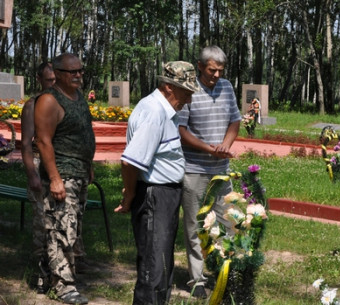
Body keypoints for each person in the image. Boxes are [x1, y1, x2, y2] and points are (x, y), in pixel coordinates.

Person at [114, 61, 199, 305]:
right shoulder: (154, 112)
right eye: (186, 92)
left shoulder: (165, 110)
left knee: (161, 266)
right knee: (154, 268)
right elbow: (130, 162)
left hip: (164, 196)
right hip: (155, 197)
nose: (189, 100)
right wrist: (129, 195)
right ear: (167, 86)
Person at [178, 45, 241, 299]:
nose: (216, 75)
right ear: (200, 66)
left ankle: (224, 275)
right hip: (194, 170)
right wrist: (208, 149)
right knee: (195, 226)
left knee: (228, 224)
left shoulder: (226, 87)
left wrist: (226, 144)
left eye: (220, 71)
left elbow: (235, 120)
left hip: (221, 172)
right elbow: (181, 131)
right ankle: (197, 279)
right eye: (211, 70)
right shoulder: (188, 90)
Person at [34, 53, 95, 304]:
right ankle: (64, 287)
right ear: (57, 74)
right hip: (62, 175)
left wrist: (88, 165)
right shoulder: (49, 100)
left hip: (79, 173)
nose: (78, 75)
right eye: (73, 72)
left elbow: (83, 133)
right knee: (60, 231)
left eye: (80, 70)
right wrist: (55, 178)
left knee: (72, 230)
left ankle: (47, 277)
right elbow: (43, 141)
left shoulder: (79, 97)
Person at [21, 62, 56, 293]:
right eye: (48, 80)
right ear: (39, 79)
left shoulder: (63, 104)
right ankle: (41, 274)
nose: (52, 84)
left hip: (58, 167)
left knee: (60, 223)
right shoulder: (32, 106)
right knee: (41, 224)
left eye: (55, 80)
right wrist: (32, 174)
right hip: (38, 165)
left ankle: (60, 271)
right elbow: (25, 143)